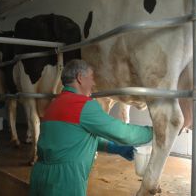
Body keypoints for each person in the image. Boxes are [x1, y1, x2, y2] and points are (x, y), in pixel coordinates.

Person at [29, 59, 153, 196]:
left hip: (39, 176)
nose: (93, 84)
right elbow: (122, 133)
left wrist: (114, 148)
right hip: (64, 181)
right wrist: (156, 132)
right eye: (92, 78)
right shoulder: (83, 105)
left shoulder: (54, 104)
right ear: (80, 78)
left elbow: (74, 139)